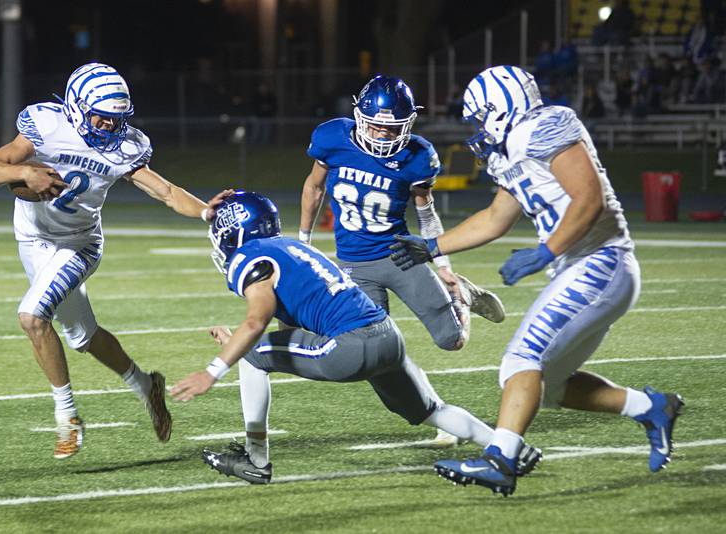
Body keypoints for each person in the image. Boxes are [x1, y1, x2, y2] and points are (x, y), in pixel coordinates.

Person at [390, 65, 683, 496]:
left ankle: (501, 459)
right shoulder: (509, 151)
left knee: (520, 361)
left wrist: (547, 250)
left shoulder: (544, 126)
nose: (475, 128)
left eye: (478, 117)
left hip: (600, 260)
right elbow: (495, 217)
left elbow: (589, 197)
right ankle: (651, 407)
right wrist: (433, 247)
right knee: (549, 386)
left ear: (498, 109)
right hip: (584, 268)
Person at [170, 191, 541, 484]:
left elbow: (257, 320)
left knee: (251, 355)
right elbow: (291, 326)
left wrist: (213, 370)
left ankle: (255, 459)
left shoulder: (249, 257)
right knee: (430, 411)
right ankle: (508, 446)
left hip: (352, 344)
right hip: (387, 338)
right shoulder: (292, 248)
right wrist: (248, 343)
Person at [0, 63, 231, 459]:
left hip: (79, 244)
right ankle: (146, 385)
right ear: (76, 107)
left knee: (32, 316)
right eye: (101, 118)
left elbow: (165, 192)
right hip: (32, 239)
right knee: (83, 336)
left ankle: (67, 416)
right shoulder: (46, 124)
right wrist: (27, 172)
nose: (109, 128)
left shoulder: (125, 146)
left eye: (116, 120)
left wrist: (205, 212)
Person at [298, 75, 506, 448]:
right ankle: (441, 415)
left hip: (400, 256)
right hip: (352, 266)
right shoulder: (332, 138)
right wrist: (305, 241)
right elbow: (313, 187)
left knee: (451, 341)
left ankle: (462, 298)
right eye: (376, 125)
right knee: (377, 358)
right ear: (360, 116)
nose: (381, 135)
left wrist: (442, 263)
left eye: (391, 128)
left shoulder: (417, 156)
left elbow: (425, 212)